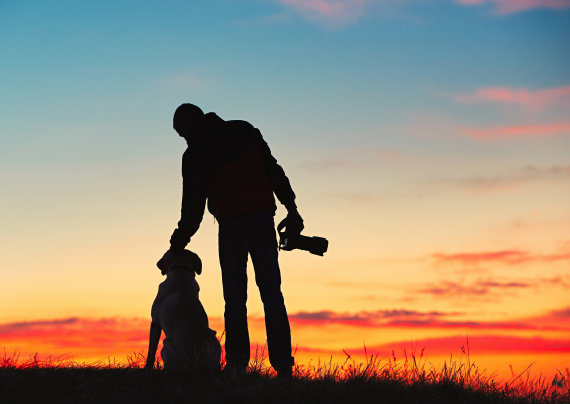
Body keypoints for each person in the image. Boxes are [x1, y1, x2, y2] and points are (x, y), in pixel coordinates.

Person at [166, 103, 304, 376]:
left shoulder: (195, 153)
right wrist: (292, 208)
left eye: (182, 134)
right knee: (272, 294)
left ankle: (237, 366)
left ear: (188, 126)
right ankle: (284, 367)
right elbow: (273, 170)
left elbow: (192, 207)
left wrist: (178, 242)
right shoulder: (244, 129)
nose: (185, 139)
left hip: (232, 226)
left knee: (235, 298)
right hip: (263, 219)